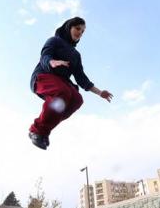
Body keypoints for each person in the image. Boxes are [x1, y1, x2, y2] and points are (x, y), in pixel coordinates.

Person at [28, 17, 113, 150]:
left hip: (61, 82)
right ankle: (36, 130)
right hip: (43, 76)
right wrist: (52, 62)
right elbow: (45, 56)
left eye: (83, 31)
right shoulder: (54, 40)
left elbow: (81, 78)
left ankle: (43, 131)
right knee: (63, 92)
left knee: (76, 100)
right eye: (77, 28)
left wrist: (100, 92)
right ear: (69, 27)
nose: (80, 33)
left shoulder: (76, 55)